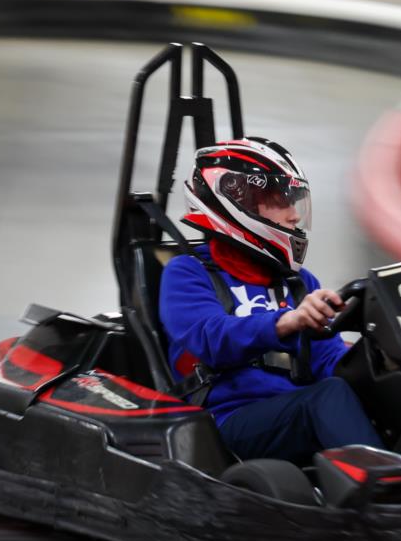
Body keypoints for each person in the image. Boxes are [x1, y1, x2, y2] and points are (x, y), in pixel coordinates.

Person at [158, 136, 389, 463]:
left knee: (383, 382)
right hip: (225, 423)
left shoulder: (298, 283)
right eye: (280, 202)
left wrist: (382, 363)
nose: (294, 216)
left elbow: (327, 360)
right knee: (327, 398)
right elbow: (210, 339)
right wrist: (286, 322)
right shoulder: (187, 273)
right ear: (240, 203)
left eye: (294, 203)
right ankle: (389, 490)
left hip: (297, 412)